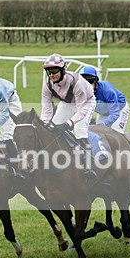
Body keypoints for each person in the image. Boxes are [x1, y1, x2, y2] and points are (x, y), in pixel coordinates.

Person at [40, 53, 98, 181]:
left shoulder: (76, 82)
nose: (51, 74)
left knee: (79, 130)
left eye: (54, 70)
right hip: (67, 103)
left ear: (62, 69)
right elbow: (47, 109)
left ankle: (89, 167)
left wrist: (68, 124)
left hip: (85, 103)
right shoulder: (47, 84)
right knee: (52, 128)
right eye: (48, 71)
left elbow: (82, 110)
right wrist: (44, 124)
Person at [79, 65, 129, 133]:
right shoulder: (80, 93)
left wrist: (103, 124)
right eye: (83, 82)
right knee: (98, 134)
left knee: (115, 134)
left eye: (90, 81)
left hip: (119, 110)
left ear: (95, 81)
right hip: (104, 112)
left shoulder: (107, 91)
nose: (87, 85)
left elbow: (115, 114)